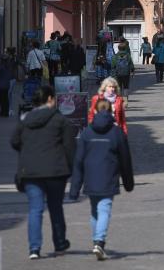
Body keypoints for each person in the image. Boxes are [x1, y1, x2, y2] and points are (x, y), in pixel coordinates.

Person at [10, 85, 76, 259]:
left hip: (31, 171)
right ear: (49, 99)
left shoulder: (25, 119)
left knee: (35, 209)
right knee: (56, 208)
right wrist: (69, 168)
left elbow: (14, 141)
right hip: (55, 171)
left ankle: (34, 248)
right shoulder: (60, 120)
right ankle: (60, 244)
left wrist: (28, 151)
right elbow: (70, 147)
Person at [69, 99, 135, 261]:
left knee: (94, 210)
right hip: (108, 175)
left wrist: (74, 188)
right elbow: (125, 159)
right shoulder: (116, 132)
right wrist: (128, 182)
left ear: (95, 110)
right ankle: (99, 241)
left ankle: (96, 241)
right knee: (104, 208)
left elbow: (78, 160)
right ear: (111, 110)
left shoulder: (87, 133)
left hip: (91, 177)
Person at [0, 48, 14, 117]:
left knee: (2, 99)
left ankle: (3, 112)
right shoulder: (8, 65)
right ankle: (5, 112)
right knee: (5, 99)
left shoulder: (2, 66)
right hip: (7, 84)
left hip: (2, 84)